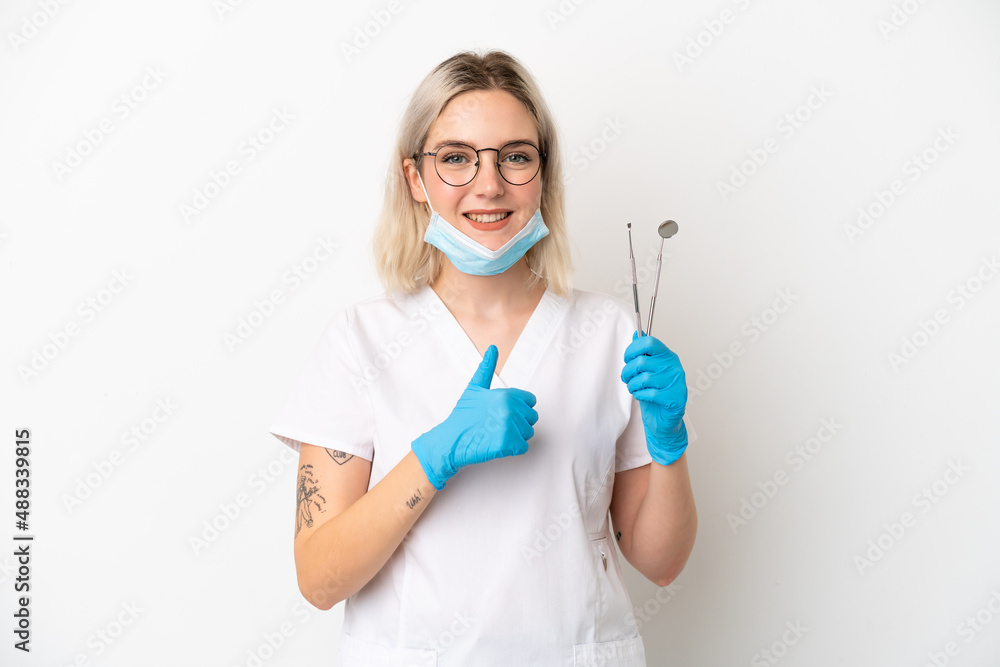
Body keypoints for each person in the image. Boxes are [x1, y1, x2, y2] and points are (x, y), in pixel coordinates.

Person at [269, 50, 697, 667]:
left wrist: (670, 444)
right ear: (415, 178)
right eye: (456, 158)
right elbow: (320, 580)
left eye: (516, 157)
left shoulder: (609, 334)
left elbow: (662, 563)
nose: (489, 184)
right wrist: (436, 456)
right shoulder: (360, 340)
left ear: (543, 175)